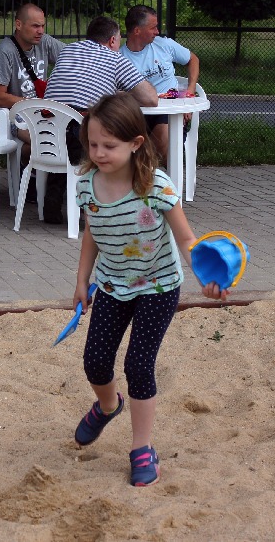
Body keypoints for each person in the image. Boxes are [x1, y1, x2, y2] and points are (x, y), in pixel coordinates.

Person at [71, 92, 228, 487]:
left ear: (136, 143)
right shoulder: (87, 184)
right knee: (94, 363)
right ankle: (109, 406)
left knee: (138, 365)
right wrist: (81, 280)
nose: (100, 152)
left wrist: (206, 277)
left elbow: (187, 239)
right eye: (93, 144)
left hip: (158, 286)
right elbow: (91, 232)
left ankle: (142, 448)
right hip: (111, 284)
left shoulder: (155, 186)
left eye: (110, 145)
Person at [40, 16, 160, 223]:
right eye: (120, 40)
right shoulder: (115, 59)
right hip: (82, 136)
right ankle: (93, 210)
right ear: (113, 40)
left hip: (46, 135)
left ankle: (52, 205)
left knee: (68, 129)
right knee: (115, 140)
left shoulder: (68, 51)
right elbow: (150, 99)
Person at [0, 2, 65, 152]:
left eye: (43, 26)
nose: (41, 31)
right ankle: (29, 168)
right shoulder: (5, 51)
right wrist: (31, 103)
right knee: (46, 140)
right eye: (35, 26)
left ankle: (31, 170)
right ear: (18, 24)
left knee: (69, 136)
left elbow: (72, 57)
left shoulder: (45, 42)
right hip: (11, 116)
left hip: (41, 113)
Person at [120, 4, 200, 147]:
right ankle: (146, 165)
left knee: (165, 138)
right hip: (138, 115)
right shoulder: (119, 58)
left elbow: (193, 60)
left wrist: (189, 92)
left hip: (170, 111)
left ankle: (147, 164)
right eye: (153, 28)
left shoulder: (164, 45)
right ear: (137, 30)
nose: (157, 32)